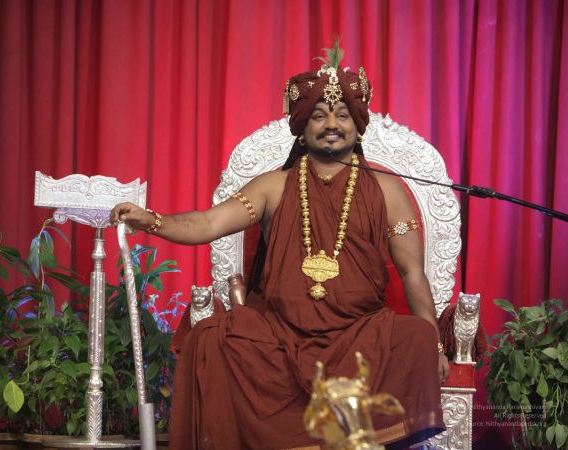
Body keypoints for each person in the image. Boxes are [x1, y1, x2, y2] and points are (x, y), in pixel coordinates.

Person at [111, 52, 449, 450]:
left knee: (416, 336)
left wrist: (436, 345)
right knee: (209, 338)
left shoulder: (388, 191)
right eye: (318, 116)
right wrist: (151, 220)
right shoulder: (274, 186)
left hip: (360, 332)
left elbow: (412, 272)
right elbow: (208, 223)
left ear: (358, 127)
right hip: (280, 335)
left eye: (342, 115)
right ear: (302, 129)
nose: (331, 125)